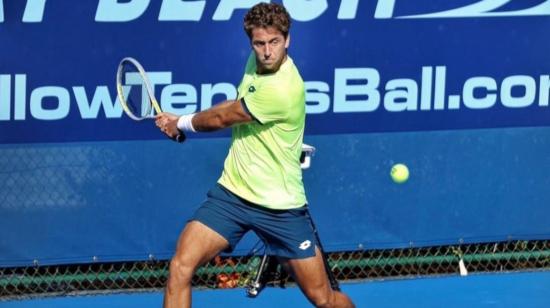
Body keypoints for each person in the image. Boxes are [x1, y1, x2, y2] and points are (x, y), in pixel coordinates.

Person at [155, 3, 355, 308]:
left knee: (323, 298)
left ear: (287, 40)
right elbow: (234, 104)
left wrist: (180, 123)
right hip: (233, 194)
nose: (266, 52)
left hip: (281, 208)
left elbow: (225, 118)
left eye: (274, 42)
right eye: (259, 44)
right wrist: (180, 118)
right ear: (251, 43)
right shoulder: (256, 63)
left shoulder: (284, 89)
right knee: (181, 265)